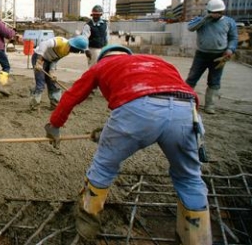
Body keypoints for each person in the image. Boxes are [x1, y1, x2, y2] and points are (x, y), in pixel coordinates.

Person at [43, 45, 211, 244]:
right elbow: (175, 96)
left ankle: (87, 224)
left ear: (104, 58)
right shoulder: (160, 62)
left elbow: (72, 97)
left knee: (104, 166)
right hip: (186, 111)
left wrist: (54, 126)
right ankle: (196, 238)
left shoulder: (101, 66)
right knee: (190, 177)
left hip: (137, 109)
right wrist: (111, 133)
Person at [185, 0, 238, 114]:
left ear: (222, 11)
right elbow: (190, 27)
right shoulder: (201, 20)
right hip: (201, 55)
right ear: (208, 11)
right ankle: (184, 100)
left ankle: (210, 105)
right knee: (192, 77)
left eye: (218, 12)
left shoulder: (229, 22)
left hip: (219, 55)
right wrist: (205, 19)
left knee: (214, 81)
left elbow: (233, 38)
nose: (216, 14)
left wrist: (230, 49)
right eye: (213, 12)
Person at [30, 36, 88, 110]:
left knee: (52, 82)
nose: (78, 52)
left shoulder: (67, 51)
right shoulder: (61, 42)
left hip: (49, 61)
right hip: (39, 57)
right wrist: (39, 61)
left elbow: (55, 60)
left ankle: (55, 103)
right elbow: (43, 44)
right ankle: (34, 105)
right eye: (78, 51)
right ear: (75, 47)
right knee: (40, 82)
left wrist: (52, 72)